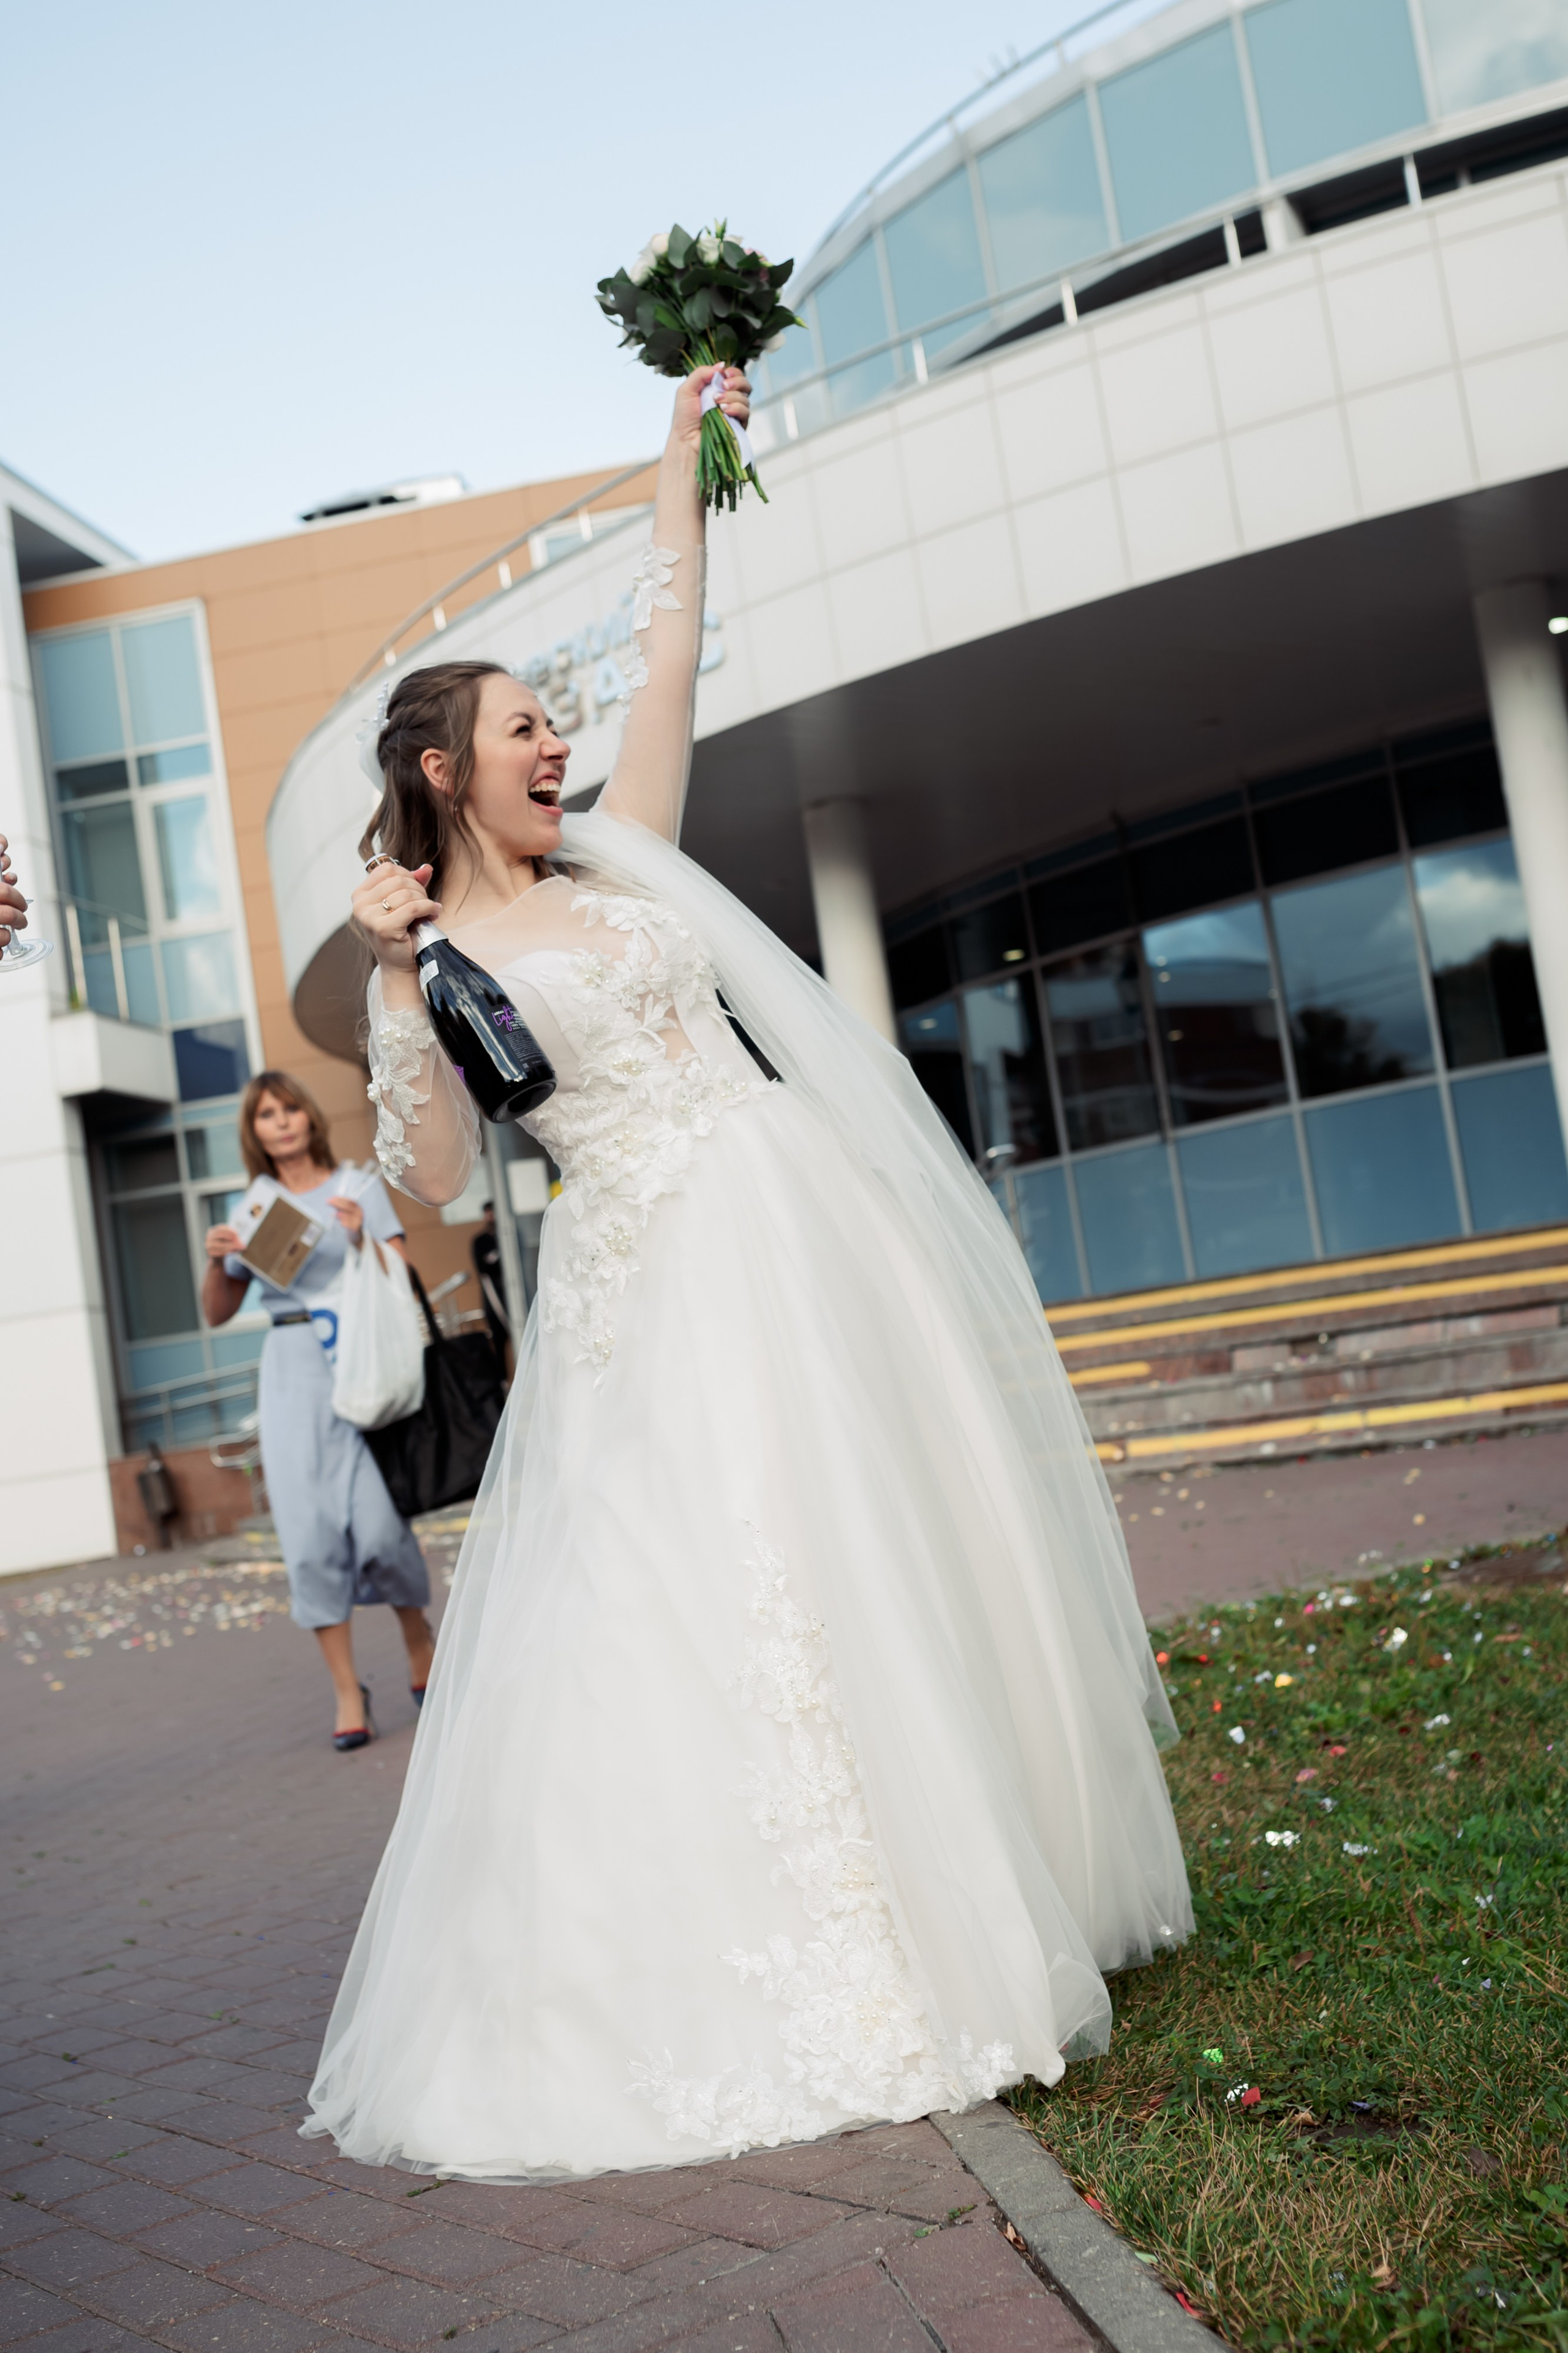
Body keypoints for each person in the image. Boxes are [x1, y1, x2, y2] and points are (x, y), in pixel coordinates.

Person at [304, 366, 1191, 2183]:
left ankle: (981, 1874)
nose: (556, 745)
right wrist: (391, 982)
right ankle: (792, 1943)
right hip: (653, 1277)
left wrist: (676, 470)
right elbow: (438, 1182)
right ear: (440, 770)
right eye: (522, 727)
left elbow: (670, 653)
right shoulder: (438, 953)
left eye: (554, 720)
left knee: (889, 1535)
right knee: (714, 1574)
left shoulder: (622, 849)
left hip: (794, 1220)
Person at [202, 1072, 435, 1749]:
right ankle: (346, 1689)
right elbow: (217, 1312)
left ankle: (417, 1636)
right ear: (255, 1130)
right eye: (266, 1113)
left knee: (381, 1528)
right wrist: (216, 1262)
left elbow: (403, 1275)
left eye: (289, 1108)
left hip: (359, 1360)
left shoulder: (356, 1186)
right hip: (291, 1372)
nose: (280, 1121)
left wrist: (362, 1238)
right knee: (308, 1541)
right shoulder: (252, 1208)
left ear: (309, 1117)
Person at [470, 1201, 509, 1363]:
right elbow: (483, 1268)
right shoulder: (480, 1241)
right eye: (487, 1214)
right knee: (498, 1339)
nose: (490, 1217)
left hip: (511, 1294)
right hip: (493, 1297)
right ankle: (503, 1376)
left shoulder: (508, 1236)